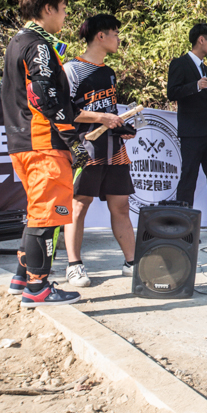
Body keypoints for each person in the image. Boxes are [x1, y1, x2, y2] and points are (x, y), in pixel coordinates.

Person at [2, 0, 90, 307]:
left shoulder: (17, 41)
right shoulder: (38, 44)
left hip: (22, 142)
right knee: (47, 216)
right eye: (64, 8)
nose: (66, 15)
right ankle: (38, 287)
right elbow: (43, 96)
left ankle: (22, 275)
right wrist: (72, 139)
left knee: (36, 212)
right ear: (48, 8)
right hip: (43, 142)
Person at [62, 15, 137, 287]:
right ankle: (74, 265)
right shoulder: (71, 70)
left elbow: (109, 112)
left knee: (121, 204)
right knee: (79, 204)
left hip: (114, 149)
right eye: (115, 33)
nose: (119, 38)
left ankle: (132, 263)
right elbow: (65, 111)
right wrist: (100, 119)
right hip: (85, 148)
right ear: (100, 36)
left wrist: (120, 127)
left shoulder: (109, 72)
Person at [167, 23, 207, 239]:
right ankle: (184, 227)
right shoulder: (180, 64)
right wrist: (195, 85)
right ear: (201, 39)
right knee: (189, 178)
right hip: (192, 131)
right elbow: (171, 93)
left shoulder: (206, 68)